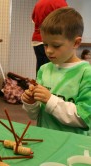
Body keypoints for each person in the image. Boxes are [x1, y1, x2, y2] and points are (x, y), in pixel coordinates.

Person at [22, 7, 91, 135]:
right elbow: (36, 114)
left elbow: (85, 119)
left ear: (76, 43)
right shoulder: (44, 69)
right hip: (45, 138)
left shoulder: (86, 74)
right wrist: (31, 103)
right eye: (45, 44)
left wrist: (50, 99)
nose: (48, 50)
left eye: (56, 45)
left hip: (73, 146)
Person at [32, 0, 67, 74]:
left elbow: (33, 20)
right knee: (52, 73)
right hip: (52, 42)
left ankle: (38, 85)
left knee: (41, 70)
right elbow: (66, 23)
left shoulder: (39, 3)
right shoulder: (60, 3)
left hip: (37, 40)